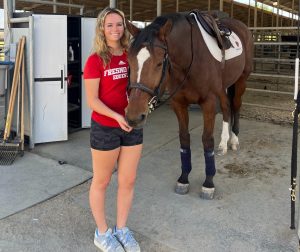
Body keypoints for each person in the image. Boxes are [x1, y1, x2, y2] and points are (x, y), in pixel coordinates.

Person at [83, 7, 143, 252]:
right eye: (110, 25)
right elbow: (93, 101)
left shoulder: (131, 55)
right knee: (102, 181)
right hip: (106, 127)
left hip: (132, 126)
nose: (115, 29)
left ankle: (121, 229)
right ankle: (102, 232)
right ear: (102, 28)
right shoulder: (95, 60)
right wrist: (117, 117)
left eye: (119, 24)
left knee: (128, 180)